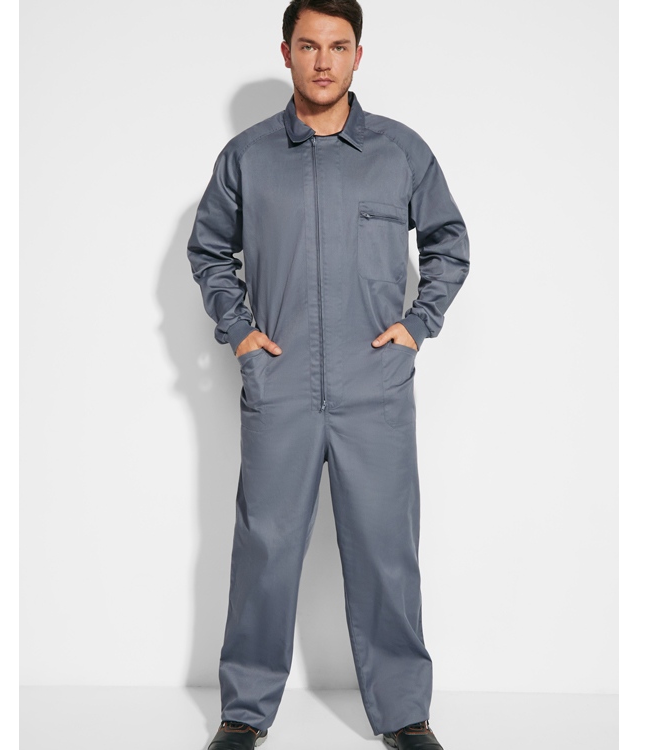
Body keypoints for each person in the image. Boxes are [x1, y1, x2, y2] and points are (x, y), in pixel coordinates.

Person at [186, 1, 469, 747]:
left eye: (338, 46)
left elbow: (449, 242)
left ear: (358, 56)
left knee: (385, 548)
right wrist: (241, 334)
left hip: (374, 383)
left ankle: (405, 715)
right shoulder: (248, 157)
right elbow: (208, 251)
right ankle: (243, 713)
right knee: (266, 546)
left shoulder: (399, 152)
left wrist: (417, 325)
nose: (323, 61)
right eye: (308, 45)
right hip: (280, 383)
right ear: (286, 52)